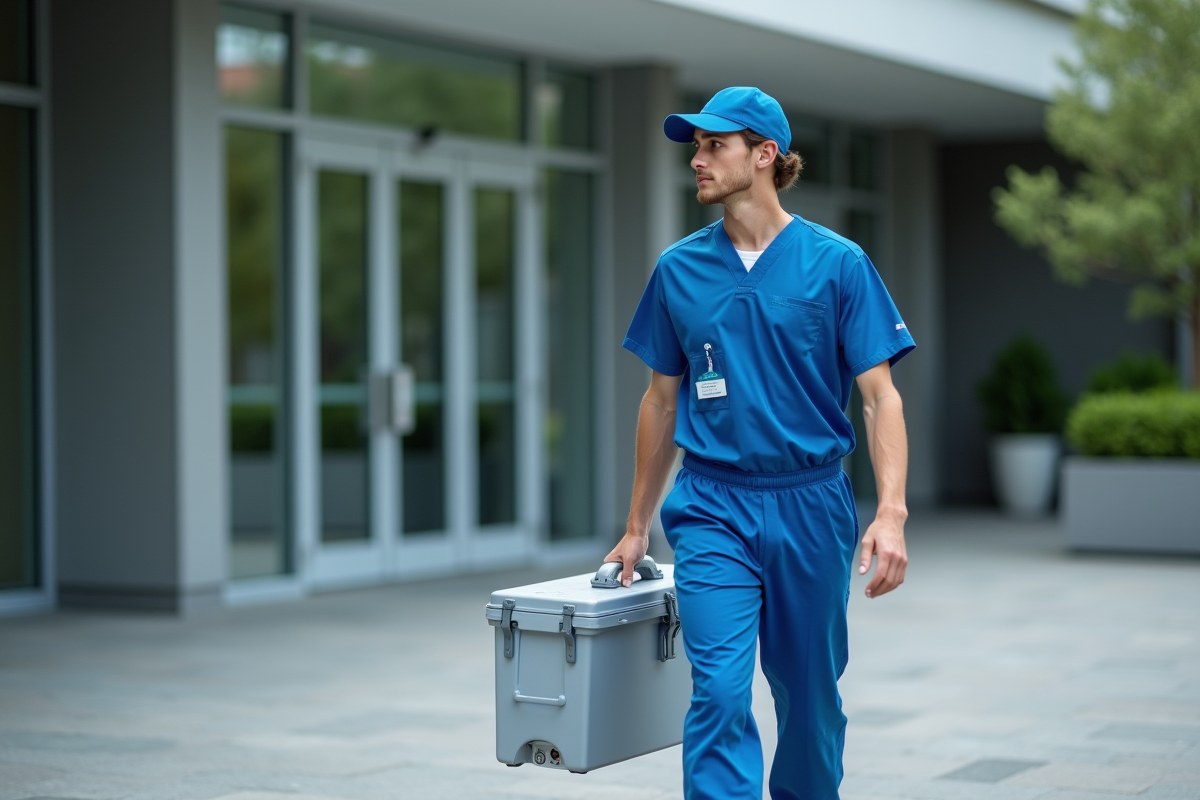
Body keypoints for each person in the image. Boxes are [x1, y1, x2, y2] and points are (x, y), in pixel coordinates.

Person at [607, 86, 914, 800]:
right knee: (716, 693)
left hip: (811, 503)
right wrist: (634, 528)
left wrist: (891, 510)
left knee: (809, 703)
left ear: (766, 154)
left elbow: (880, 397)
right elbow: (659, 400)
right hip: (712, 504)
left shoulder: (838, 263)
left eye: (715, 145)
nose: (698, 161)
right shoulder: (679, 269)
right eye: (695, 147)